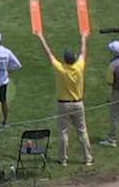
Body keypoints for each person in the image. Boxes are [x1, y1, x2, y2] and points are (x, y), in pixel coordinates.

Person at [36, 29, 92, 167]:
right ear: (74, 59)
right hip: (78, 104)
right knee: (82, 131)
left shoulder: (61, 69)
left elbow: (48, 54)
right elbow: (83, 52)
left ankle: (63, 159)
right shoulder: (79, 67)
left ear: (65, 60)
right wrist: (84, 38)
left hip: (63, 105)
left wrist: (41, 37)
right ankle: (88, 158)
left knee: (63, 132)